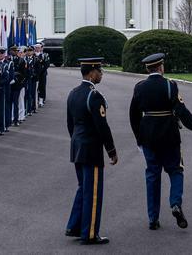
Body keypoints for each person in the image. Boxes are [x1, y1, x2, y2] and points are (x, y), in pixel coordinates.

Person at [128, 52, 192, 230]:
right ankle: (175, 203)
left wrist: (139, 139)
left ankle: (153, 219)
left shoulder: (139, 87)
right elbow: (182, 112)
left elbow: (133, 115)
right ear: (161, 67)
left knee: (152, 176)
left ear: (147, 68)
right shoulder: (170, 85)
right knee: (175, 171)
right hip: (169, 136)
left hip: (148, 138)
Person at [65, 58, 117, 245]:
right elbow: (102, 126)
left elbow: (70, 124)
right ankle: (90, 233)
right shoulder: (94, 96)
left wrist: (77, 141)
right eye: (100, 71)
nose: (101, 74)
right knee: (93, 192)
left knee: (83, 188)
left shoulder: (73, 93)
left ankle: (75, 226)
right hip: (91, 149)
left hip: (77, 146)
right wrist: (111, 150)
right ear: (91, 73)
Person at [35, 42, 50, 107]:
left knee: (42, 86)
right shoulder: (33, 55)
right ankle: (35, 99)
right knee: (35, 87)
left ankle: (41, 99)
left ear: (41, 48)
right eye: (36, 47)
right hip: (35, 74)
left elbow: (47, 64)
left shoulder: (45, 55)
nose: (38, 49)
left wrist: (41, 71)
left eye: (39, 47)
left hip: (42, 74)